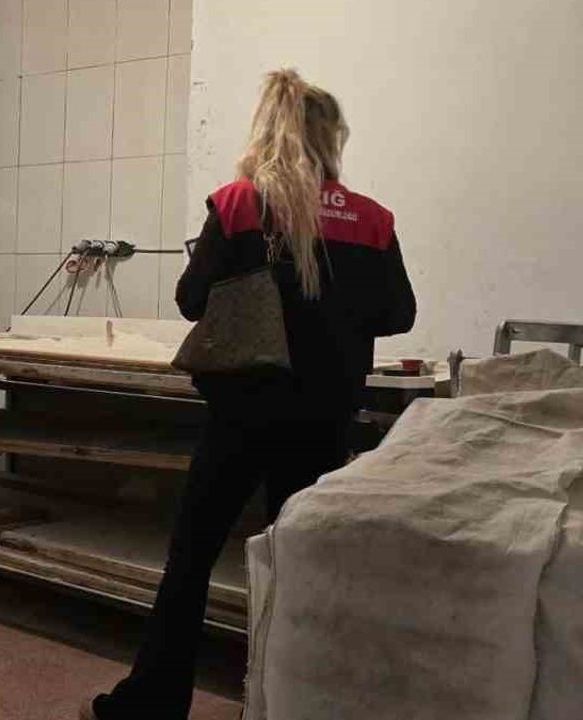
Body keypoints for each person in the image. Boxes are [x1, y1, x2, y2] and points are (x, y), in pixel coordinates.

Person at [84, 69, 416, 719]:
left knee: (193, 558)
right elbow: (398, 313)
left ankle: (151, 704)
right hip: (325, 420)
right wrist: (333, 314)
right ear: (331, 138)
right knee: (302, 563)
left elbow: (190, 300)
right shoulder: (373, 220)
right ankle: (292, 704)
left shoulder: (240, 205)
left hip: (241, 416)